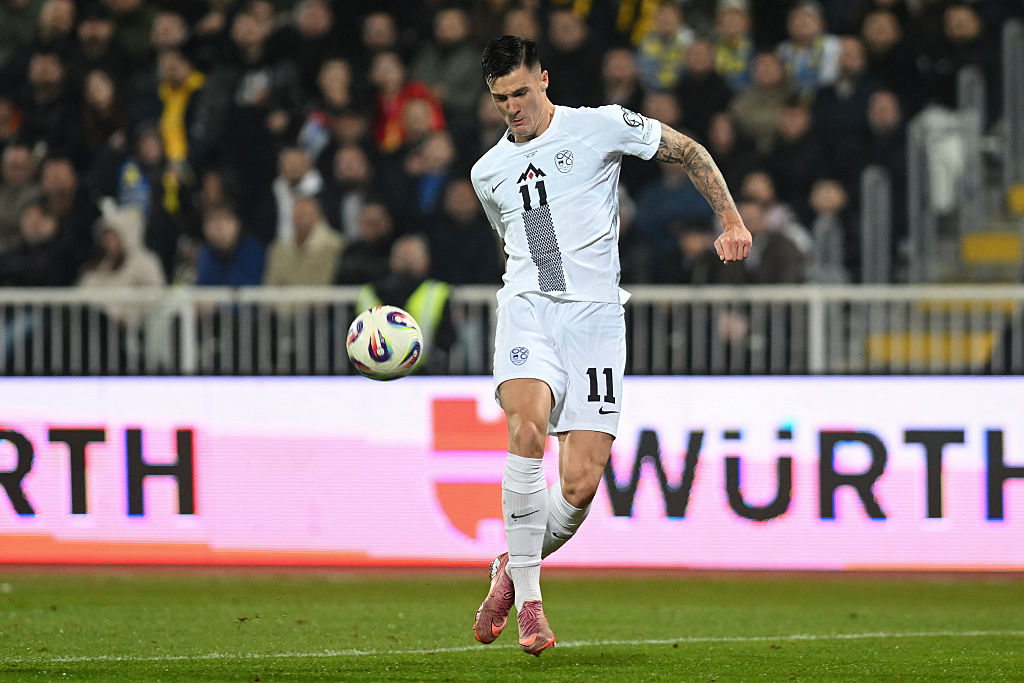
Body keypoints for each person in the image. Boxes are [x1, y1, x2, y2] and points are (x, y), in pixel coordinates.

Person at [468, 35, 751, 656]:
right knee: (526, 428)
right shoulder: (487, 172)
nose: (512, 107)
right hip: (529, 311)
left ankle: (509, 566)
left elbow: (689, 150)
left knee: (579, 489)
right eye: (500, 98)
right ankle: (532, 604)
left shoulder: (598, 128)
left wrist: (730, 221)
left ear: (544, 78)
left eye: (520, 91)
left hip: (596, 321)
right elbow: (511, 240)